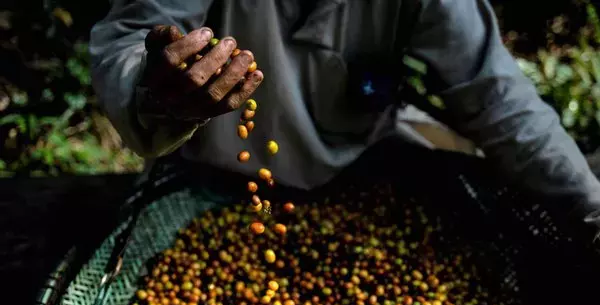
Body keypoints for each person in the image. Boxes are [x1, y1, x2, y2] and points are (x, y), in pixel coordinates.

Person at [90, 0, 600, 237]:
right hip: (214, 184)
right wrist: (157, 92)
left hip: (360, 171)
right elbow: (132, 38)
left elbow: (500, 101)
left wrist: (591, 208)